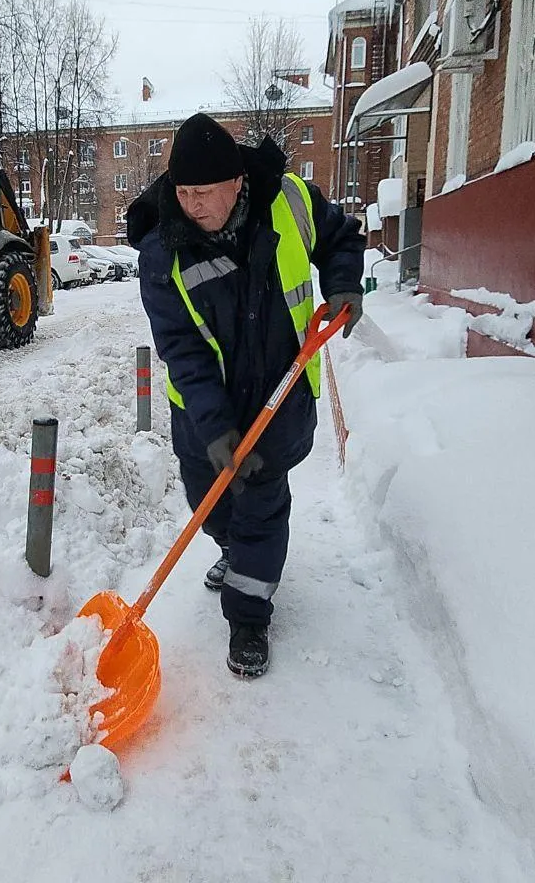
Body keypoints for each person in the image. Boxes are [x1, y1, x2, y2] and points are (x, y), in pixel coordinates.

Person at [127, 114, 366, 678]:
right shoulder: (163, 249)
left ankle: (249, 617)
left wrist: (344, 285)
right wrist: (215, 429)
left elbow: (340, 237)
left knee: (261, 506)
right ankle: (231, 548)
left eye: (203, 193)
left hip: (278, 397)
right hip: (201, 413)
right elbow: (180, 347)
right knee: (208, 502)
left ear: (237, 182)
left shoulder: (289, 199)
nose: (192, 205)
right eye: (182, 192)